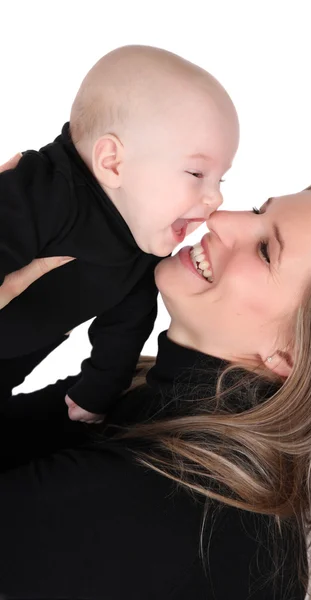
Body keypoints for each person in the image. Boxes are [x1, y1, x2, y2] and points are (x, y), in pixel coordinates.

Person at [1, 177, 311, 600]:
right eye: (259, 211)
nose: (221, 218)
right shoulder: (137, 394)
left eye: (266, 251)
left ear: (291, 355)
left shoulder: (165, 505)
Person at [0, 45, 239, 423]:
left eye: (220, 178)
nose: (216, 197)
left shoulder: (143, 241)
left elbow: (128, 324)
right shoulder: (45, 192)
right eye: (196, 174)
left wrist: (99, 389)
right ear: (113, 162)